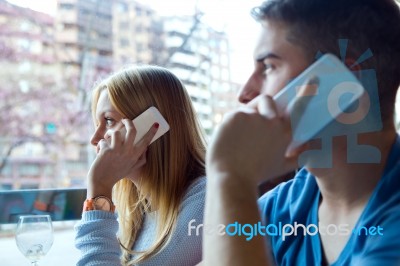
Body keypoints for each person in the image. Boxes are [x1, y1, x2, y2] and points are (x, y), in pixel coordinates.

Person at [203, 0, 400, 265]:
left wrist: (230, 175)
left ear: (345, 83)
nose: (244, 94)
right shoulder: (277, 208)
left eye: (269, 66)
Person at [75, 65, 207, 266]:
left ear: (152, 125)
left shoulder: (205, 201)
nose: (95, 139)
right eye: (97, 123)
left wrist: (99, 188)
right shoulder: (135, 209)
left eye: (109, 121)